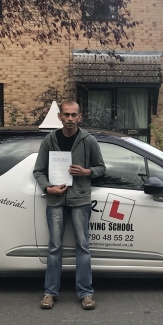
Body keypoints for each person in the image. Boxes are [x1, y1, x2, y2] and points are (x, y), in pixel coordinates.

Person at [33, 99, 106, 310]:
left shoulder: (88, 140)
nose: (70, 119)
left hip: (80, 200)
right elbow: (38, 170)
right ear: (60, 117)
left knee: (83, 247)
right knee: (54, 247)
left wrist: (86, 172)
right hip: (55, 199)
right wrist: (48, 188)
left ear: (79, 117)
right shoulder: (49, 140)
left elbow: (101, 168)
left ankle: (86, 293)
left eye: (74, 115)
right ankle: (50, 293)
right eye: (67, 115)